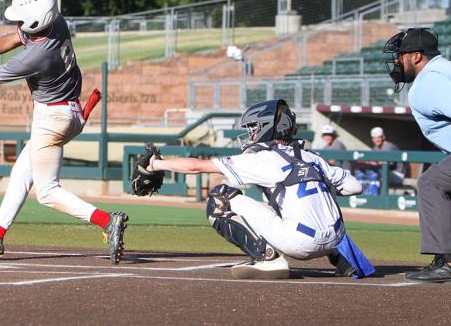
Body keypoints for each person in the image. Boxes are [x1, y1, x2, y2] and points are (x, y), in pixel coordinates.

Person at [0, 0, 129, 264]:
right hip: (69, 113)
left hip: (51, 121)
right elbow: (9, 40)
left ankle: (107, 220)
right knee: (22, 172)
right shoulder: (56, 22)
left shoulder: (36, 56)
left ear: (36, 20)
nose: (18, 24)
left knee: (47, 192)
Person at [140, 99, 372, 280]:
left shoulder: (263, 158)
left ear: (267, 128)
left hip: (300, 243)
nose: (250, 132)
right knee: (309, 207)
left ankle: (267, 258)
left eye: (254, 127)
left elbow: (195, 166)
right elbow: (355, 186)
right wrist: (321, 187)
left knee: (220, 197)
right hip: (335, 238)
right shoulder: (313, 157)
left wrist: (155, 164)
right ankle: (343, 261)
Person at [384, 27, 451, 283]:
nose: (397, 61)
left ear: (416, 56)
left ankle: (447, 263)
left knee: (432, 182)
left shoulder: (427, 81)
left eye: (400, 55)